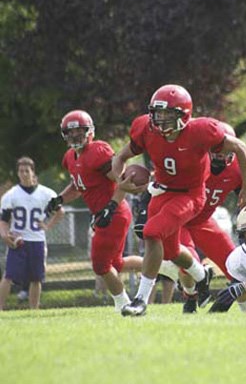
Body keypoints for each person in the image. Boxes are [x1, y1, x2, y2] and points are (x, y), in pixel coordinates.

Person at [112, 84, 246, 317]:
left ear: (183, 114)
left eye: (168, 114)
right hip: (162, 192)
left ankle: (140, 300)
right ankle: (202, 275)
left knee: (151, 232)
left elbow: (239, 146)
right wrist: (121, 182)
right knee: (170, 253)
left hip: (190, 195)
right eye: (158, 114)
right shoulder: (146, 129)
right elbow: (121, 156)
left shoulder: (201, 131)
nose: (161, 120)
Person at [43, 110, 168, 313]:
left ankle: (123, 304)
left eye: (79, 131)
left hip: (114, 212)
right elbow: (78, 186)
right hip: (105, 213)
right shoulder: (69, 157)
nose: (75, 136)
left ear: (89, 131)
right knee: (116, 263)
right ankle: (164, 267)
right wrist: (59, 199)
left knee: (100, 266)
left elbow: (121, 182)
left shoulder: (97, 151)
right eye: (71, 132)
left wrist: (110, 208)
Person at [134, 122, 246, 313]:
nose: (219, 156)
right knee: (187, 262)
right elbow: (158, 184)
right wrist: (143, 215)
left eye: (224, 152)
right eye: (216, 151)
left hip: (203, 221)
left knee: (234, 264)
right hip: (181, 218)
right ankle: (190, 295)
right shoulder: (191, 161)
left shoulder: (238, 171)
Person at [0, 157, 64, 310]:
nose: (23, 174)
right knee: (8, 276)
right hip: (19, 241)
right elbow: (3, 220)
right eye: (21, 171)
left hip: (37, 241)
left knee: (36, 278)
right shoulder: (11, 195)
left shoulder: (46, 193)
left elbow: (60, 211)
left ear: (32, 172)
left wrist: (48, 225)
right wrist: (4, 235)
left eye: (26, 171)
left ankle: (34, 310)